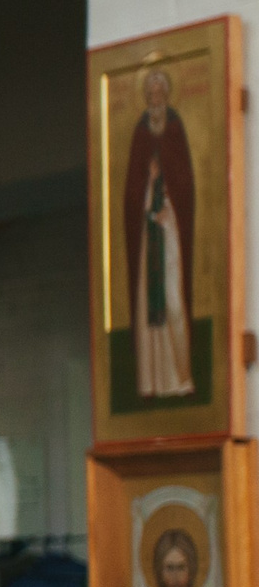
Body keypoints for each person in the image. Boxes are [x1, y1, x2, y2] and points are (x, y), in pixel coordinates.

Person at [124, 67, 196, 398]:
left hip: (170, 228)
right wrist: (148, 184)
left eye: (160, 94)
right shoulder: (141, 133)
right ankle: (151, 382)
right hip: (147, 232)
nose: (155, 99)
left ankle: (179, 377)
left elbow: (184, 182)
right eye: (150, 95)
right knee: (149, 305)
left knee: (173, 301)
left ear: (167, 96)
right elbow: (131, 189)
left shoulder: (175, 127)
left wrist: (172, 206)